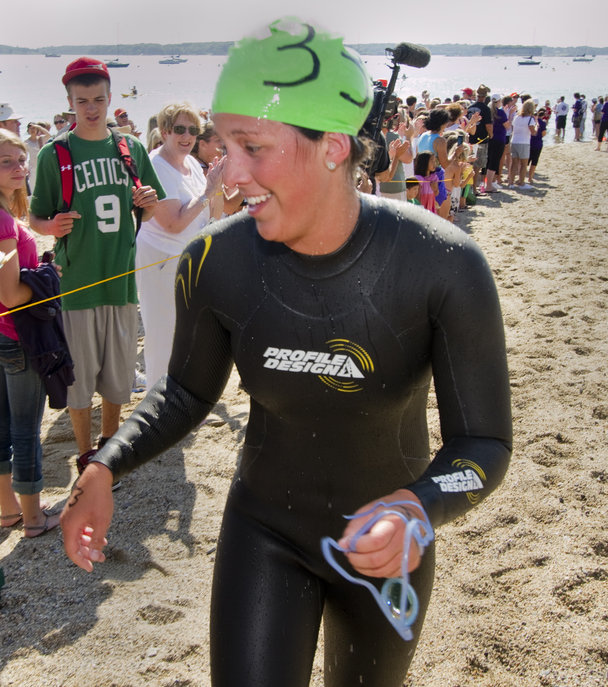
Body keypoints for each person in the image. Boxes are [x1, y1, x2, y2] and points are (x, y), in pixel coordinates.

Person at [60, 18, 512, 687]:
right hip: (263, 531)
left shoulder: (442, 265)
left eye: (251, 147)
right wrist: (105, 464)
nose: (227, 174)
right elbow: (185, 393)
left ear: (333, 147)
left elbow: (483, 444)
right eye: (221, 143)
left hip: (385, 547)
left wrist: (417, 507)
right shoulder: (216, 259)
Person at [29, 57, 165, 475]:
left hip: (122, 282)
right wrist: (50, 225)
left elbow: (151, 209)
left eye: (99, 100)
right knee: (79, 380)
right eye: (82, 101)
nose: (92, 108)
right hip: (78, 284)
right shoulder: (56, 153)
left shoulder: (130, 148)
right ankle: (85, 451)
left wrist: (147, 203)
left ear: (109, 99)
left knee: (117, 376)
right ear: (70, 102)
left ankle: (109, 447)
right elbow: (36, 218)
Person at [135, 102, 224, 392]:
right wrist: (208, 191)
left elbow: (212, 214)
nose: (187, 136)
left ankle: (179, 397)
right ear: (164, 131)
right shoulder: (156, 165)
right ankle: (156, 404)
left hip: (189, 259)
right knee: (162, 335)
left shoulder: (191, 166)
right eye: (179, 129)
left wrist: (218, 184)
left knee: (187, 333)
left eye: (193, 130)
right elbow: (172, 223)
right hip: (160, 261)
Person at [0, 130, 60, 538]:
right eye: (7, 162)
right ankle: (34, 517)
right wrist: (47, 276)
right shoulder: (4, 223)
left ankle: (7, 512)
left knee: (4, 426)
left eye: (21, 159)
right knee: (24, 428)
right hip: (16, 336)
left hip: (3, 335)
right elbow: (9, 294)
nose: (20, 167)